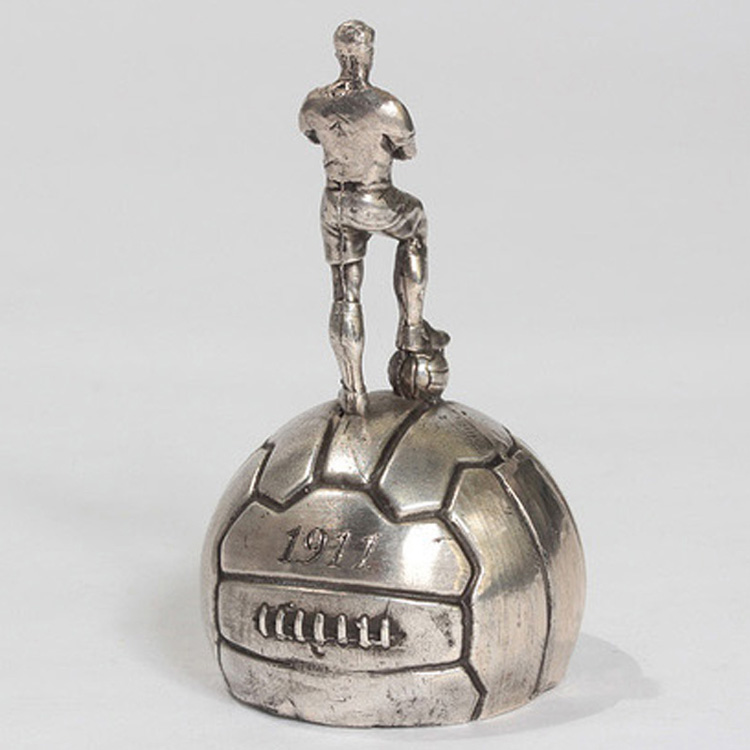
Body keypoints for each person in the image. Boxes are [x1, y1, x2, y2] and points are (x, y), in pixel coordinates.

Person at [299, 19, 449, 414]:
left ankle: (353, 390)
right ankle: (412, 329)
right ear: (368, 53)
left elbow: (310, 133)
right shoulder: (386, 107)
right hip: (373, 197)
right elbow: (408, 152)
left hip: (334, 202)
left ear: (338, 54)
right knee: (415, 223)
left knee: (345, 295)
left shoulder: (315, 103)